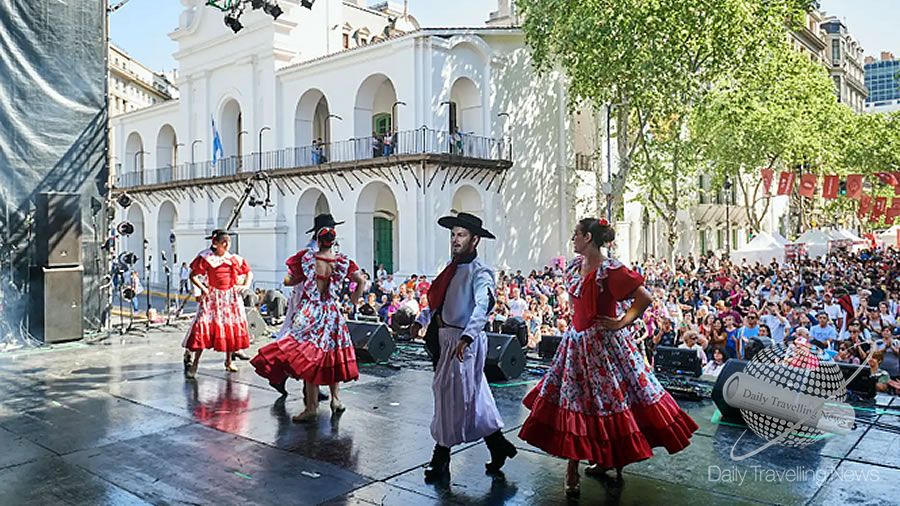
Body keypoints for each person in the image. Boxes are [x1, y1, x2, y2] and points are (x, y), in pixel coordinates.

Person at [518, 218, 697, 498]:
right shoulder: (575, 267)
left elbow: (645, 298)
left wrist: (620, 322)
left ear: (588, 237)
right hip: (576, 346)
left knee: (606, 404)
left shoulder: (610, 270)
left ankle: (604, 460)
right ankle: (573, 468)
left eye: (576, 234)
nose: (573, 239)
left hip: (602, 347)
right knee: (577, 403)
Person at [409, 212, 515, 482]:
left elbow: (484, 305)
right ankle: (498, 444)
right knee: (474, 394)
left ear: (475, 239)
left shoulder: (481, 272)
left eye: (461, 235)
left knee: (449, 395)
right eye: (453, 234)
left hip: (462, 342)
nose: (455, 240)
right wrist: (420, 320)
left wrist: (467, 337)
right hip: (444, 338)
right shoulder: (451, 267)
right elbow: (438, 302)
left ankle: (441, 456)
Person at [251, 214, 366, 422]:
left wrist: (290, 280)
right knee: (332, 355)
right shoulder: (342, 261)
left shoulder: (306, 259)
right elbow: (361, 281)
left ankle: (311, 407)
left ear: (318, 237)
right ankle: (335, 399)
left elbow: (290, 280)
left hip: (310, 311)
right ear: (333, 239)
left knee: (308, 357)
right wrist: (353, 302)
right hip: (332, 312)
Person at [182, 230, 252, 378]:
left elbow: (248, 271)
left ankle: (228, 361)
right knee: (203, 327)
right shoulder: (206, 257)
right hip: (213, 297)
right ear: (216, 243)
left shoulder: (232, 258)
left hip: (229, 298)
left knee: (229, 329)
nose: (227, 245)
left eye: (228, 242)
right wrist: (202, 289)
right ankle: (194, 363)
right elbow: (193, 276)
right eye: (223, 243)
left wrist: (245, 285)